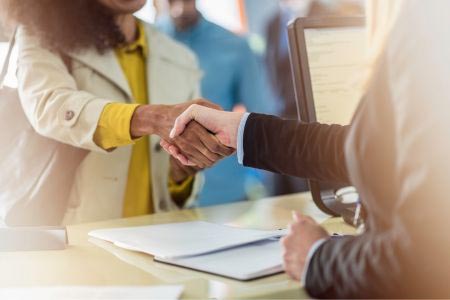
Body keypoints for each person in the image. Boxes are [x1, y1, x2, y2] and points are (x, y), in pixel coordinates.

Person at [161, 0, 450, 297]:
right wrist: (241, 130)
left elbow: (426, 257)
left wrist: (316, 257)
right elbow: (374, 149)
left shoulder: (423, 31)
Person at [1, 0, 231, 225]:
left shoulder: (180, 58)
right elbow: (50, 105)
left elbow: (174, 190)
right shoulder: (40, 35)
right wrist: (153, 118)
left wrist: (182, 172)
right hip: (73, 241)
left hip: (157, 243)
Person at [156, 0, 277, 206]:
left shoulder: (235, 45)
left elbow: (262, 116)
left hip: (223, 193)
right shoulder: (148, 42)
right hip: (159, 191)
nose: (180, 8)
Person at [265, 0, 364, 196]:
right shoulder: (272, 23)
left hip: (315, 132)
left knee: (318, 200)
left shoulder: (330, 16)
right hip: (282, 131)